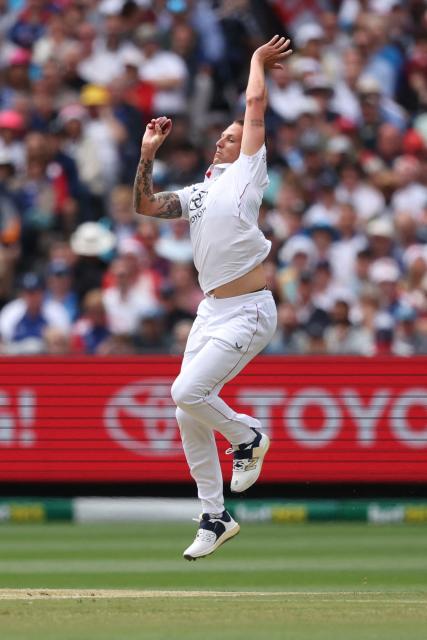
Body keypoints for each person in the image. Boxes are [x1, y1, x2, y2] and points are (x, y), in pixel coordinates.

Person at [133, 35, 292, 561]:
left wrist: (254, 61)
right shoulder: (201, 192)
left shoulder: (248, 171)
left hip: (248, 310)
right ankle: (214, 514)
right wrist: (146, 155)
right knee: (186, 411)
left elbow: (254, 105)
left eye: (235, 136)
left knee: (186, 393)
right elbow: (146, 205)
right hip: (211, 311)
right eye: (224, 137)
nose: (228, 140)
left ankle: (248, 437)